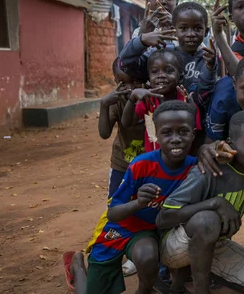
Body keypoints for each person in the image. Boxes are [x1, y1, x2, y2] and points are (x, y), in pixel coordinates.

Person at [62, 101, 200, 294]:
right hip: (118, 228)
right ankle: (77, 266)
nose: (176, 139)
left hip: (147, 231)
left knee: (147, 255)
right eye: (167, 132)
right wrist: (139, 203)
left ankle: (144, 290)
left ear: (193, 134)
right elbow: (113, 214)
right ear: (156, 135)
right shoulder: (141, 165)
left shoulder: (195, 168)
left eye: (183, 132)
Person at [157, 110, 244, 294]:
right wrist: (215, 203)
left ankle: (196, 274)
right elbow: (163, 218)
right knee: (207, 220)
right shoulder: (209, 171)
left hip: (216, 244)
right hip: (174, 248)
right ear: (229, 145)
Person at [121, 49, 201, 153]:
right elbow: (126, 123)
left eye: (168, 71)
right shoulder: (148, 100)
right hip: (154, 162)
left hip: (182, 161)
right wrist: (132, 98)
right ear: (149, 78)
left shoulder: (187, 101)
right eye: (155, 72)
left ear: (180, 77)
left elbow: (197, 135)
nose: (161, 75)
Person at [99, 58, 146, 198]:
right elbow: (104, 133)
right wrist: (104, 105)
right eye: (123, 83)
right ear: (115, 81)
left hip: (149, 164)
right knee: (115, 203)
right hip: (122, 163)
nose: (130, 88)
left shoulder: (150, 99)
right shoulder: (116, 101)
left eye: (136, 81)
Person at [119, 0, 179, 81]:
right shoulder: (140, 31)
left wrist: (177, 26)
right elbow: (130, 64)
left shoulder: (187, 30)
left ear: (176, 2)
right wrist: (142, 36)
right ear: (148, 2)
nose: (162, 1)